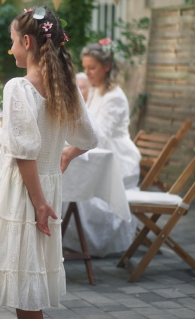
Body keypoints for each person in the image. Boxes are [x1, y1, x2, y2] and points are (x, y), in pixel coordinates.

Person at [0, 7, 98, 318]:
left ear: (27, 41)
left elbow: (24, 153)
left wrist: (39, 203)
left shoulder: (19, 87)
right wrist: (66, 153)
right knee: (30, 277)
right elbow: (89, 138)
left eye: (11, 40)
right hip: (47, 185)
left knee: (24, 283)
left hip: (27, 192)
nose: (9, 47)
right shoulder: (66, 85)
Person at [62, 39, 141, 257]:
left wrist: (76, 145)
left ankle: (90, 244)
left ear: (106, 67)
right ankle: (72, 240)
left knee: (77, 182)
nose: (87, 73)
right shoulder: (96, 90)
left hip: (116, 158)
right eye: (85, 68)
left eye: (92, 68)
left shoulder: (114, 97)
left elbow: (101, 136)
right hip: (99, 148)